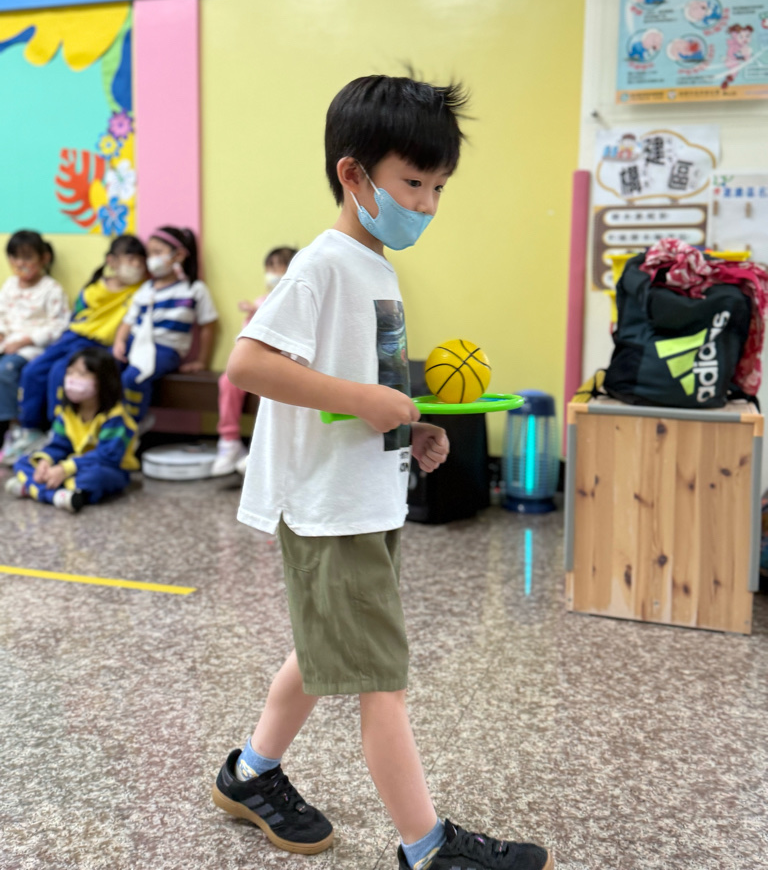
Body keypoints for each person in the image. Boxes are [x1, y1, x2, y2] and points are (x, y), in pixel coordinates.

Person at [211, 75, 553, 870]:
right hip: (329, 508)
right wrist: (364, 400)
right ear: (354, 175)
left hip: (362, 498)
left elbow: (363, 386)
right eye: (413, 183)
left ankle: (250, 774)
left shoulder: (376, 266)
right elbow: (248, 364)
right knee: (381, 681)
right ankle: (426, 848)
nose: (427, 204)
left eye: (439, 188)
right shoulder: (323, 264)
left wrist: (409, 429)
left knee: (326, 650)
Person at [2, 234, 147, 466]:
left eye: (140, 261)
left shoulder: (141, 291)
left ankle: (58, 431)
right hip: (73, 336)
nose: (136, 266)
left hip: (100, 345)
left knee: (59, 373)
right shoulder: (94, 287)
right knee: (32, 371)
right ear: (111, 261)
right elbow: (77, 316)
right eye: (130, 260)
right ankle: (30, 429)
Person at [5, 347, 139, 513]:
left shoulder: (115, 417)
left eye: (82, 374)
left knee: (95, 477)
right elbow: (58, 446)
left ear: (103, 379)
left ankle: (35, 488)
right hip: (72, 465)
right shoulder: (67, 413)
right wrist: (45, 462)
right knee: (24, 461)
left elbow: (107, 457)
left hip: (109, 468)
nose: (72, 379)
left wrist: (66, 469)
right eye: (69, 373)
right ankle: (60, 494)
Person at [112, 226, 219, 426]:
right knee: (106, 368)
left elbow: (208, 325)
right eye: (149, 253)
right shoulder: (146, 289)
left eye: (157, 252)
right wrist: (119, 342)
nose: (151, 259)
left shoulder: (194, 289)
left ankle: (132, 424)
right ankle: (105, 421)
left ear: (179, 255)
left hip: (164, 349)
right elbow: (129, 320)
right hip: (135, 342)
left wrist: (202, 361)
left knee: (134, 377)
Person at [211, 246, 297, 476]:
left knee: (267, 391)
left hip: (278, 366)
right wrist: (252, 314)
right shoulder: (261, 301)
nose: (274, 273)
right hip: (254, 363)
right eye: (270, 267)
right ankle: (229, 441)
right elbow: (247, 339)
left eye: (280, 266)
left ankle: (263, 447)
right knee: (227, 382)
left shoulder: (295, 301)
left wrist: (257, 310)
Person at [0, 231, 70, 452]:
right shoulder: (10, 285)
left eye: (28, 257)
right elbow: (1, 314)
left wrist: (25, 341)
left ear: (44, 258)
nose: (21, 264)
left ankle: (17, 426)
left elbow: (59, 326)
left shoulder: (52, 289)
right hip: (7, 343)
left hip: (33, 347)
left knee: (6, 369)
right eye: (15, 258)